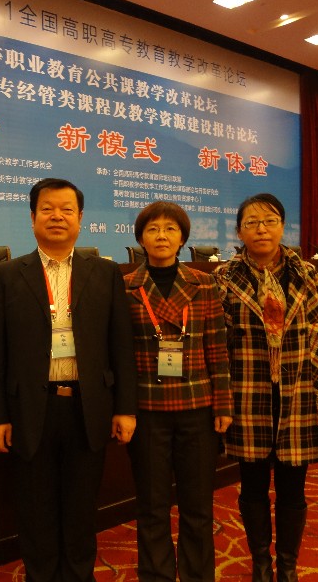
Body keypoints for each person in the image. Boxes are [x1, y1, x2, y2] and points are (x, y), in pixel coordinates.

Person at [0, 177, 137, 582]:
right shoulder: (6, 275)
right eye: (47, 208)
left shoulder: (104, 273)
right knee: (36, 512)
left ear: (80, 218)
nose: (57, 216)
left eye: (67, 209)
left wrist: (125, 408)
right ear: (32, 217)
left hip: (88, 407)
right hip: (30, 409)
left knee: (82, 509)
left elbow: (121, 346)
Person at [212, 193, 318, 582]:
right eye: (251, 222)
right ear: (239, 231)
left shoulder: (307, 273)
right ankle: (260, 563)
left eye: (269, 221)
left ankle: (287, 565)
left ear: (283, 227)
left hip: (299, 393)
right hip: (247, 395)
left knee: (292, 489)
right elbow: (215, 345)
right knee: (252, 487)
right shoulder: (225, 277)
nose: (261, 229)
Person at [124, 201, 232, 582]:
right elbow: (120, 353)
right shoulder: (126, 287)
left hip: (197, 407)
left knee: (198, 505)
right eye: (153, 229)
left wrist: (223, 404)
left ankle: (197, 575)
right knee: (152, 506)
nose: (162, 236)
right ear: (141, 239)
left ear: (183, 238)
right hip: (147, 408)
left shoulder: (204, 283)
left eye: (170, 229)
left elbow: (217, 346)